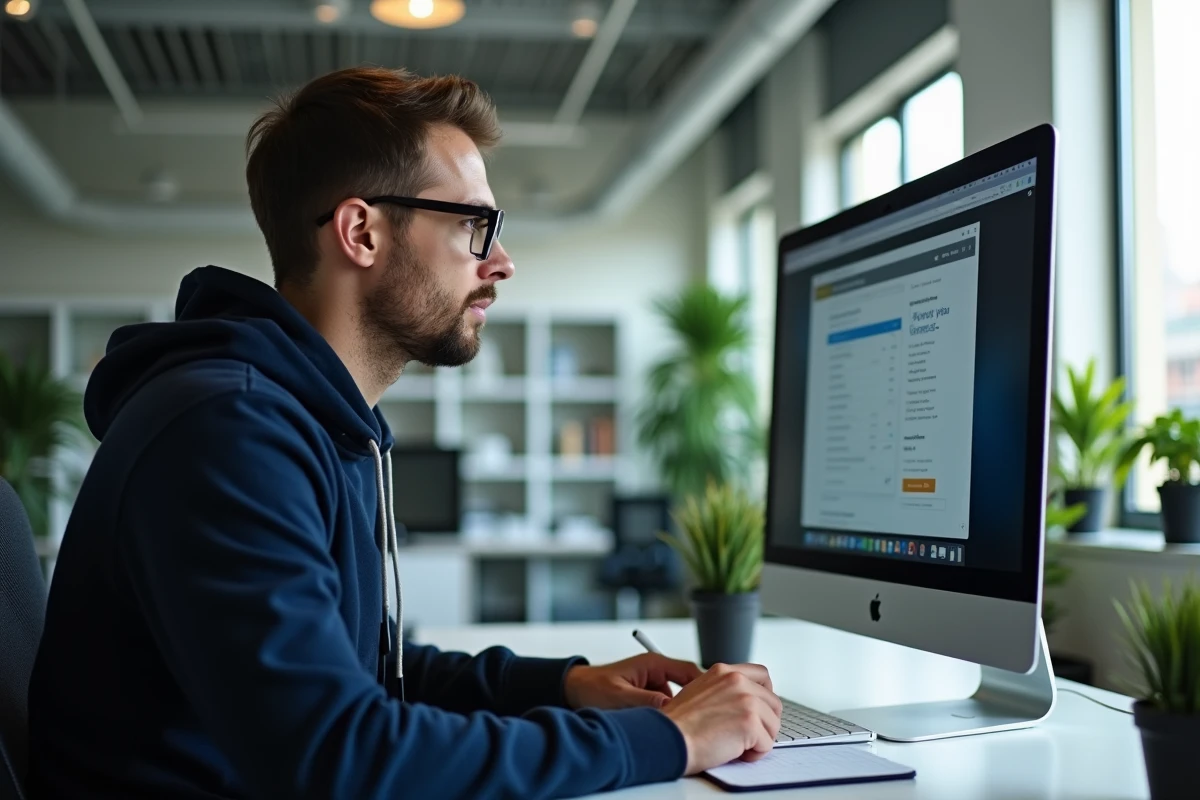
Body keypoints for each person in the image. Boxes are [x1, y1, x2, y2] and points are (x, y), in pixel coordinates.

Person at [26, 67, 782, 800]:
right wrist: (671, 741)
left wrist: (562, 684)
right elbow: (342, 757)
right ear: (361, 231)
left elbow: (366, 671)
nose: (503, 262)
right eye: (473, 226)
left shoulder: (309, 422)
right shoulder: (228, 432)